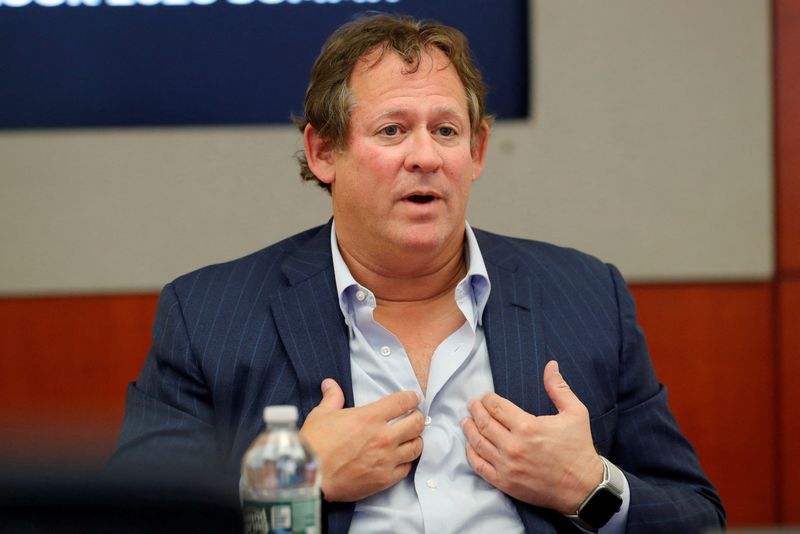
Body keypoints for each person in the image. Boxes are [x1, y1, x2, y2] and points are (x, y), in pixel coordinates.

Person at [111, 14, 725, 533]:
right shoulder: (210, 314)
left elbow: (698, 518)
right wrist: (295, 475)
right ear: (324, 151)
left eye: (446, 131)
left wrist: (589, 485)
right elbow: (129, 517)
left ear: (477, 152)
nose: (426, 156)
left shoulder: (587, 297)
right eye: (393, 130)